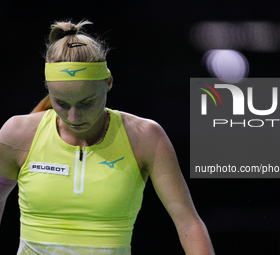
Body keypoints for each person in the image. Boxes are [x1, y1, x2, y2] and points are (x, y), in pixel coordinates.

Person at [0, 20, 214, 254]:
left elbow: (188, 224)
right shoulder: (17, 134)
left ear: (109, 83)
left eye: (86, 102)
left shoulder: (145, 137)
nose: (74, 116)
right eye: (61, 103)